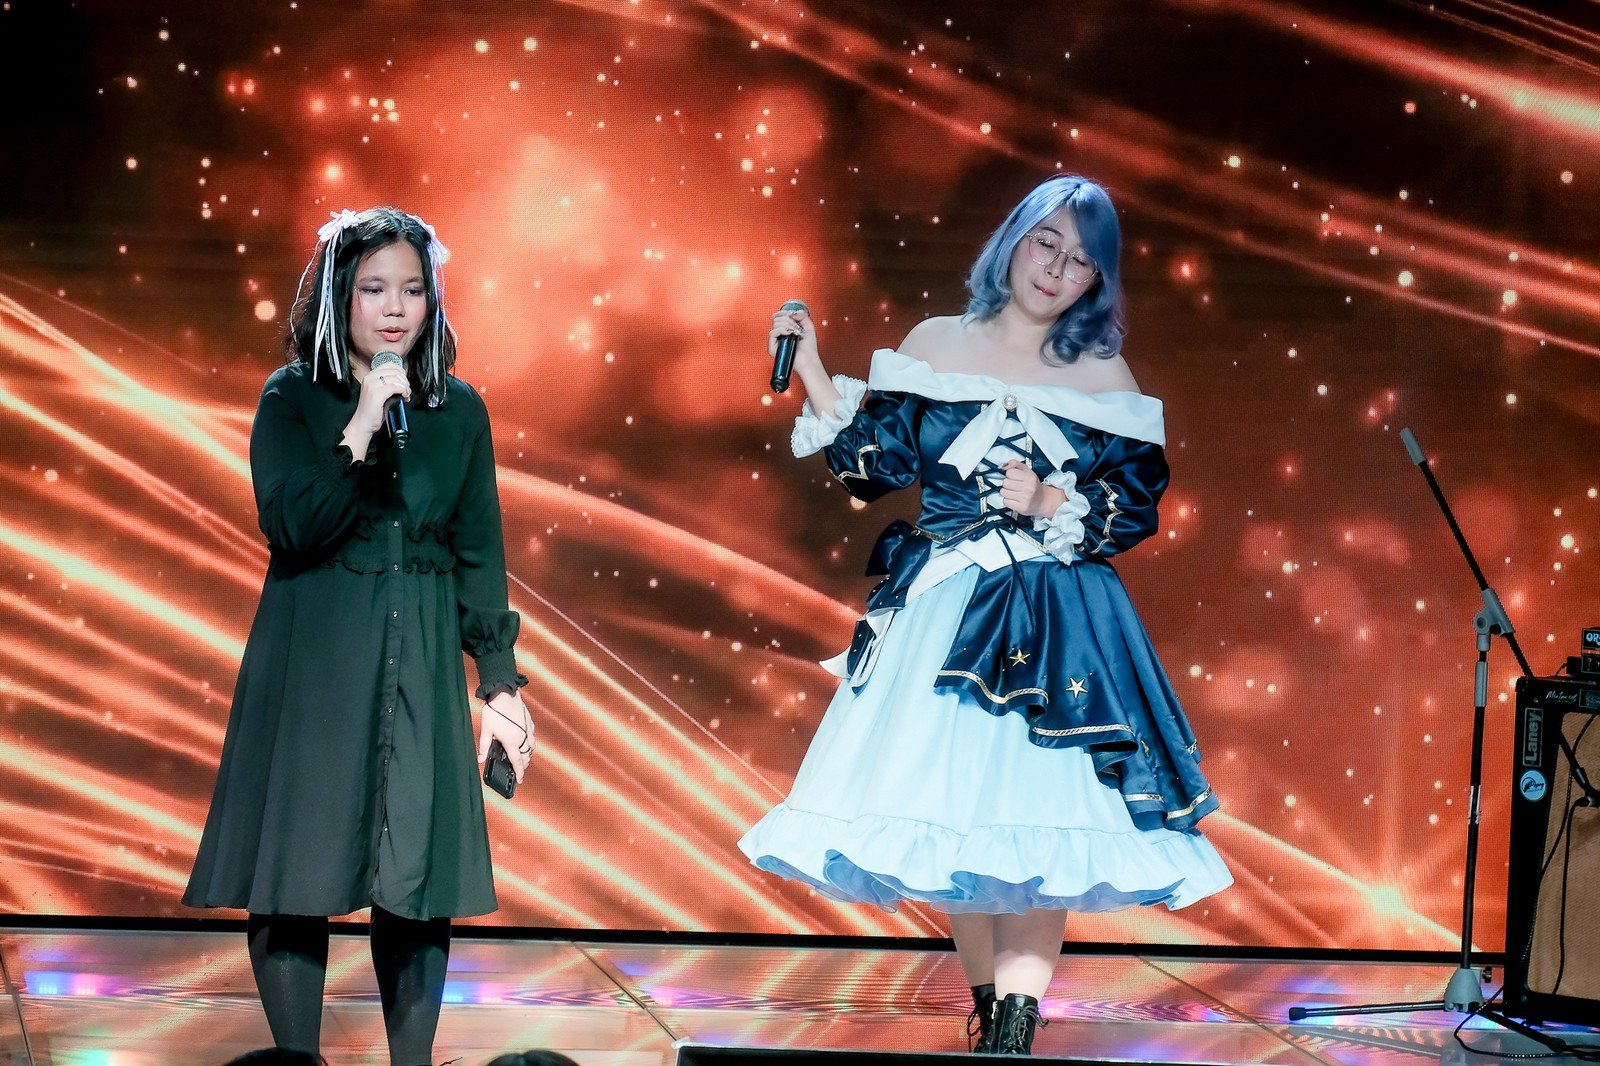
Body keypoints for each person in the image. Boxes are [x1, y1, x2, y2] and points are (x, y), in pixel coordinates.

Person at [740, 175, 1232, 1056]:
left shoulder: (1104, 376)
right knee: (957, 820)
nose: (1056, 268)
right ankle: (988, 1023)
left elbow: (1133, 506)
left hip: (1055, 623)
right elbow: (875, 465)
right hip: (939, 610)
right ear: (1014, 239)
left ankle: (1014, 1033)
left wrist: (1048, 499)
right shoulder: (935, 343)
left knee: (1038, 826)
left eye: (1081, 260)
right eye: (1046, 243)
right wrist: (810, 365)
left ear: (1098, 280)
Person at [184, 207, 534, 1065]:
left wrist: (498, 683)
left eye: (413, 290)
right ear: (341, 295)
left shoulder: (459, 411)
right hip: (317, 659)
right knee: (298, 865)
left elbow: (479, 551)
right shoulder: (292, 398)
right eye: (375, 288)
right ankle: (295, 1061)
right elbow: (292, 524)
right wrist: (362, 424)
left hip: (420, 656)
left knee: (416, 875)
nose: (395, 308)